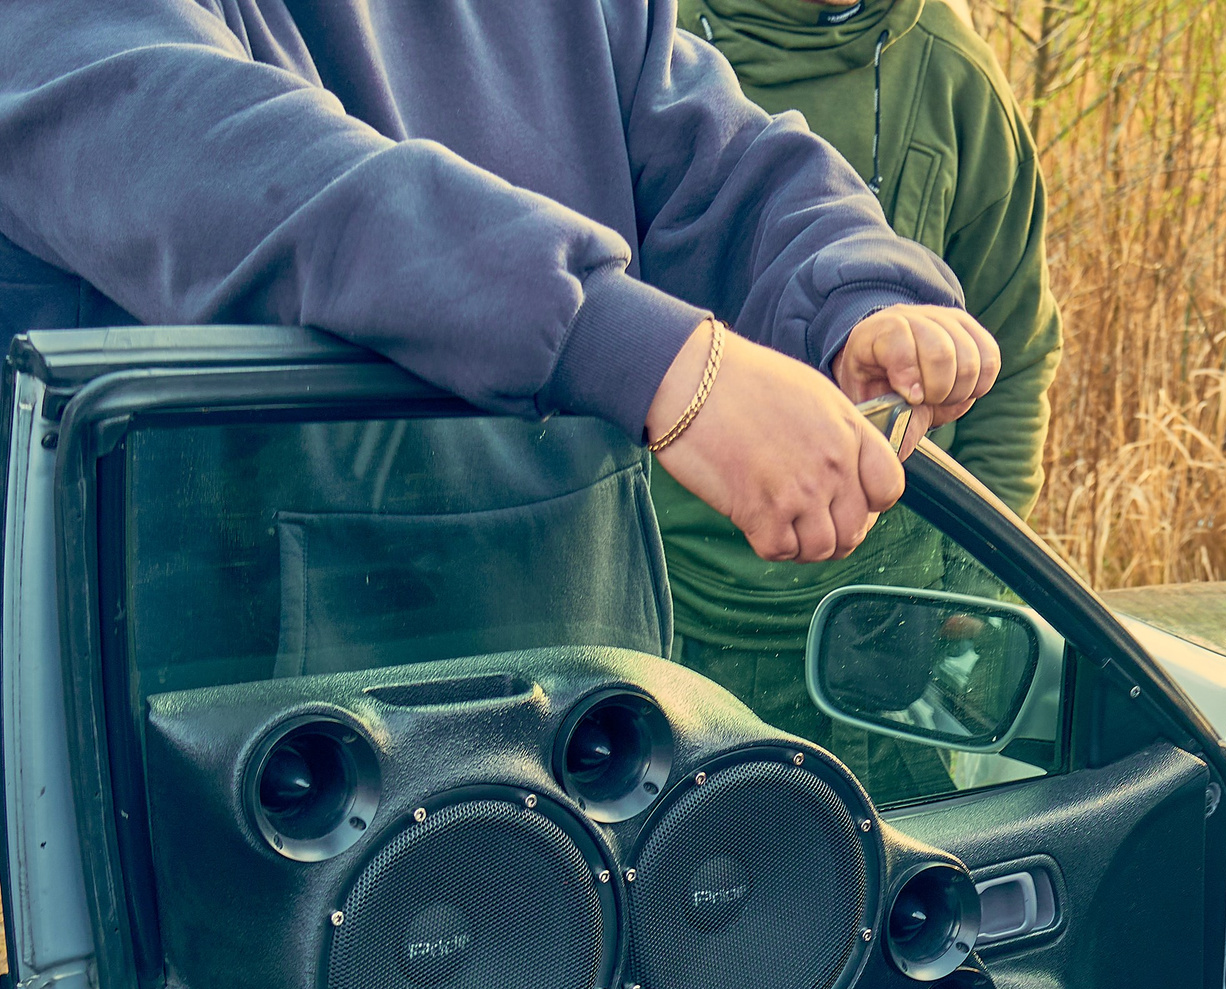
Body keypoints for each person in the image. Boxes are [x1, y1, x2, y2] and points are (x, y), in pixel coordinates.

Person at [0, 2, 1000, 570]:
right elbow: (229, 169)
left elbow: (721, 159)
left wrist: (856, 295)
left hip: (567, 674)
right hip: (223, 720)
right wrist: (651, 358)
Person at [659, 0, 1064, 801]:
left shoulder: (951, 75)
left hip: (874, 644)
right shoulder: (635, 44)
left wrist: (971, 591)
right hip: (659, 622)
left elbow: (1013, 357)